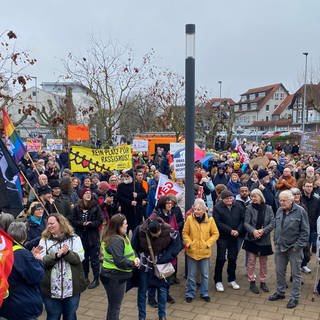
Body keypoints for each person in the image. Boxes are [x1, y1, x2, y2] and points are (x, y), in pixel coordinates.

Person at [131, 217, 181, 320]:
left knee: (162, 289)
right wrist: (136, 257)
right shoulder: (140, 230)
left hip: (161, 266)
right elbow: (133, 246)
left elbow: (178, 243)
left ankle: (162, 316)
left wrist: (167, 257)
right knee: (142, 291)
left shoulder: (168, 230)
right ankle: (142, 317)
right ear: (149, 231)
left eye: (159, 233)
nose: (158, 235)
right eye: (155, 235)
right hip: (145, 265)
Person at [39, 213, 87, 319]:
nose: (49, 226)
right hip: (51, 290)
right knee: (53, 316)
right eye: (48, 224)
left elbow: (80, 258)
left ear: (61, 223)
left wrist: (67, 253)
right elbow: (42, 261)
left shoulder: (74, 239)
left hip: (71, 289)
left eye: (52, 223)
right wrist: (57, 256)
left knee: (70, 315)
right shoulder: (44, 240)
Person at [268, 190, 309, 309]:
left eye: (284, 200)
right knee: (279, 272)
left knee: (296, 275)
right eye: (280, 200)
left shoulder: (300, 211)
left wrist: (297, 246)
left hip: (294, 249)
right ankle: (280, 292)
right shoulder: (280, 210)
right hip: (280, 247)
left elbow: (305, 232)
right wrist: (276, 240)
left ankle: (295, 298)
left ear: (291, 200)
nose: (281, 202)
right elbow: (276, 226)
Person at [0, 222, 44, 320]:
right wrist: (38, 261)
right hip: (22, 306)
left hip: (6, 305)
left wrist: (30, 258)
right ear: (25, 235)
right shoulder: (22, 254)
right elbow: (36, 277)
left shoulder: (5, 251)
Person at [100, 214, 140, 320]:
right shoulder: (115, 240)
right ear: (118, 226)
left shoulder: (122, 236)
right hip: (114, 277)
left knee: (113, 305)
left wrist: (135, 257)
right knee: (115, 307)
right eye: (125, 224)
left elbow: (131, 250)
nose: (127, 226)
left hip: (116, 276)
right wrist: (134, 263)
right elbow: (119, 261)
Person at [183, 198, 219, 303]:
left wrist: (207, 243)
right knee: (191, 275)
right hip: (192, 252)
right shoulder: (189, 219)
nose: (197, 211)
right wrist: (189, 243)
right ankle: (190, 293)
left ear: (204, 210)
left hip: (205, 252)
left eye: (199, 209)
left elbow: (215, 234)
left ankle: (205, 293)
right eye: (195, 209)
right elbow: (185, 233)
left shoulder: (210, 220)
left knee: (205, 274)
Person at [243, 189, 275, 294]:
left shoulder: (269, 208)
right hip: (252, 238)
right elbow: (246, 223)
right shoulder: (249, 208)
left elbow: (272, 222)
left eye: (255, 196)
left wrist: (263, 231)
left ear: (260, 197)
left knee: (263, 262)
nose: (253, 199)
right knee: (251, 261)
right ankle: (251, 281)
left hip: (264, 239)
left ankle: (263, 281)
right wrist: (253, 231)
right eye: (251, 197)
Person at [213, 190, 245, 292]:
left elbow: (242, 220)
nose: (229, 200)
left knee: (233, 258)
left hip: (235, 236)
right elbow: (217, 222)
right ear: (222, 199)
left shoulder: (238, 206)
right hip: (223, 236)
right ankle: (218, 280)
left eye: (231, 198)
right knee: (221, 258)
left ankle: (231, 279)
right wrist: (230, 230)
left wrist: (238, 231)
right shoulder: (217, 208)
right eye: (227, 198)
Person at [73, 188, 102, 289]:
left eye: (89, 193)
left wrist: (91, 224)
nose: (88, 195)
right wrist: (82, 223)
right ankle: (85, 277)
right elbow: (74, 221)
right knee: (84, 259)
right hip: (81, 236)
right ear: (82, 195)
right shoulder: (77, 207)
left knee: (94, 259)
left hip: (93, 236)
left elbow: (99, 221)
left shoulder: (96, 207)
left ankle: (96, 279)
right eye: (86, 193)